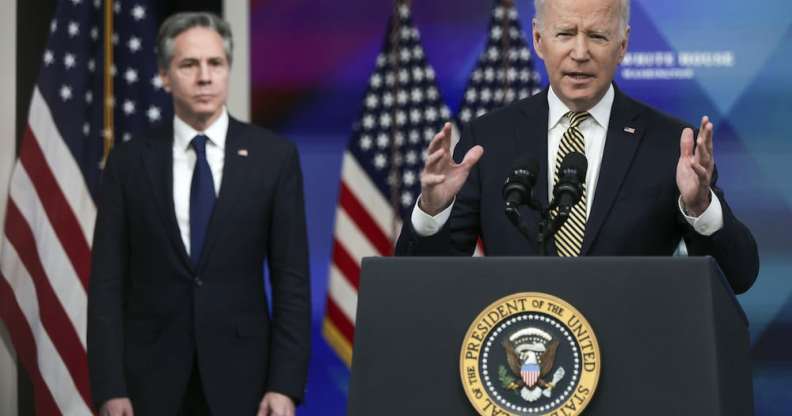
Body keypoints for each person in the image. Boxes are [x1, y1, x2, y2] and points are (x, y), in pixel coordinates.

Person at [395, 0, 759, 294]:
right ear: (539, 40)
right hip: (517, 366)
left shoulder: (671, 145)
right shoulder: (488, 140)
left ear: (623, 45)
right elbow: (420, 282)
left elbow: (739, 276)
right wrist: (432, 211)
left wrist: (701, 207)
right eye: (565, 33)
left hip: (633, 369)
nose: (580, 52)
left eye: (598, 36)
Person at [87, 12, 310, 416]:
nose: (204, 77)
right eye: (189, 65)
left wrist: (285, 385)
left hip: (245, 381)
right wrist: (109, 387)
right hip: (147, 384)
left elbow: (292, 281)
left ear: (227, 71)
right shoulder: (128, 162)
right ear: (165, 76)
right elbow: (106, 282)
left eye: (215, 64)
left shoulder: (274, 158)